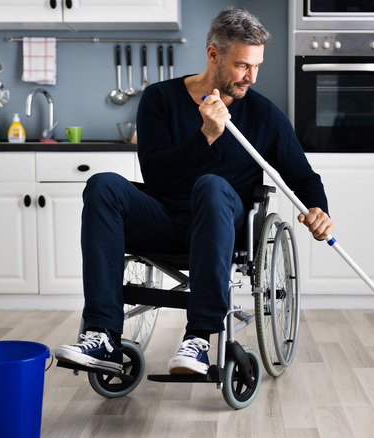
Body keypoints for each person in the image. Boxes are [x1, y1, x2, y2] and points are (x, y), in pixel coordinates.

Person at [55, 7, 334, 375]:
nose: (251, 77)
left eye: (256, 66)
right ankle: (103, 335)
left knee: (212, 185)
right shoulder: (160, 99)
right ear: (214, 54)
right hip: (164, 217)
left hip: (221, 224)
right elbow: (156, 175)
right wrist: (205, 136)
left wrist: (319, 209)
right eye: (242, 66)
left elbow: (303, 176)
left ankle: (199, 339)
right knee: (102, 184)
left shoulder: (265, 116)